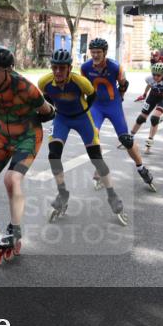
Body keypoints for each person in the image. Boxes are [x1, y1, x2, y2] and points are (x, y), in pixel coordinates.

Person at [0, 46, 55, 266]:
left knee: (11, 179)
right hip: (1, 138)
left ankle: (14, 229)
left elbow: (47, 111)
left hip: (27, 137)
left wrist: (45, 113)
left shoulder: (26, 88)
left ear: (9, 70)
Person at [38, 48, 127, 224]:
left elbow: (92, 96)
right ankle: (63, 194)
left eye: (62, 68)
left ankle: (112, 196)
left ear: (69, 68)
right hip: (62, 119)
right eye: (54, 67)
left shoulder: (81, 82)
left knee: (96, 159)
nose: (57, 72)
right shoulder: (44, 82)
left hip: (82, 119)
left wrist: (84, 110)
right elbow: (46, 97)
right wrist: (56, 108)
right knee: (53, 155)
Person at [80, 38, 156, 191]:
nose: (95, 55)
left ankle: (141, 167)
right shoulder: (85, 67)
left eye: (98, 53)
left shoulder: (115, 67)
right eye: (93, 52)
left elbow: (123, 84)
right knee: (92, 138)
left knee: (126, 139)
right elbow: (83, 87)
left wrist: (120, 97)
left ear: (105, 53)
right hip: (96, 106)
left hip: (113, 105)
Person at [131, 62, 163, 153]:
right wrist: (144, 94)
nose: (156, 77)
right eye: (154, 74)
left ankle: (150, 141)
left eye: (158, 75)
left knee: (154, 118)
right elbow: (149, 85)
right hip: (152, 97)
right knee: (141, 118)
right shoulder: (149, 79)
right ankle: (130, 137)